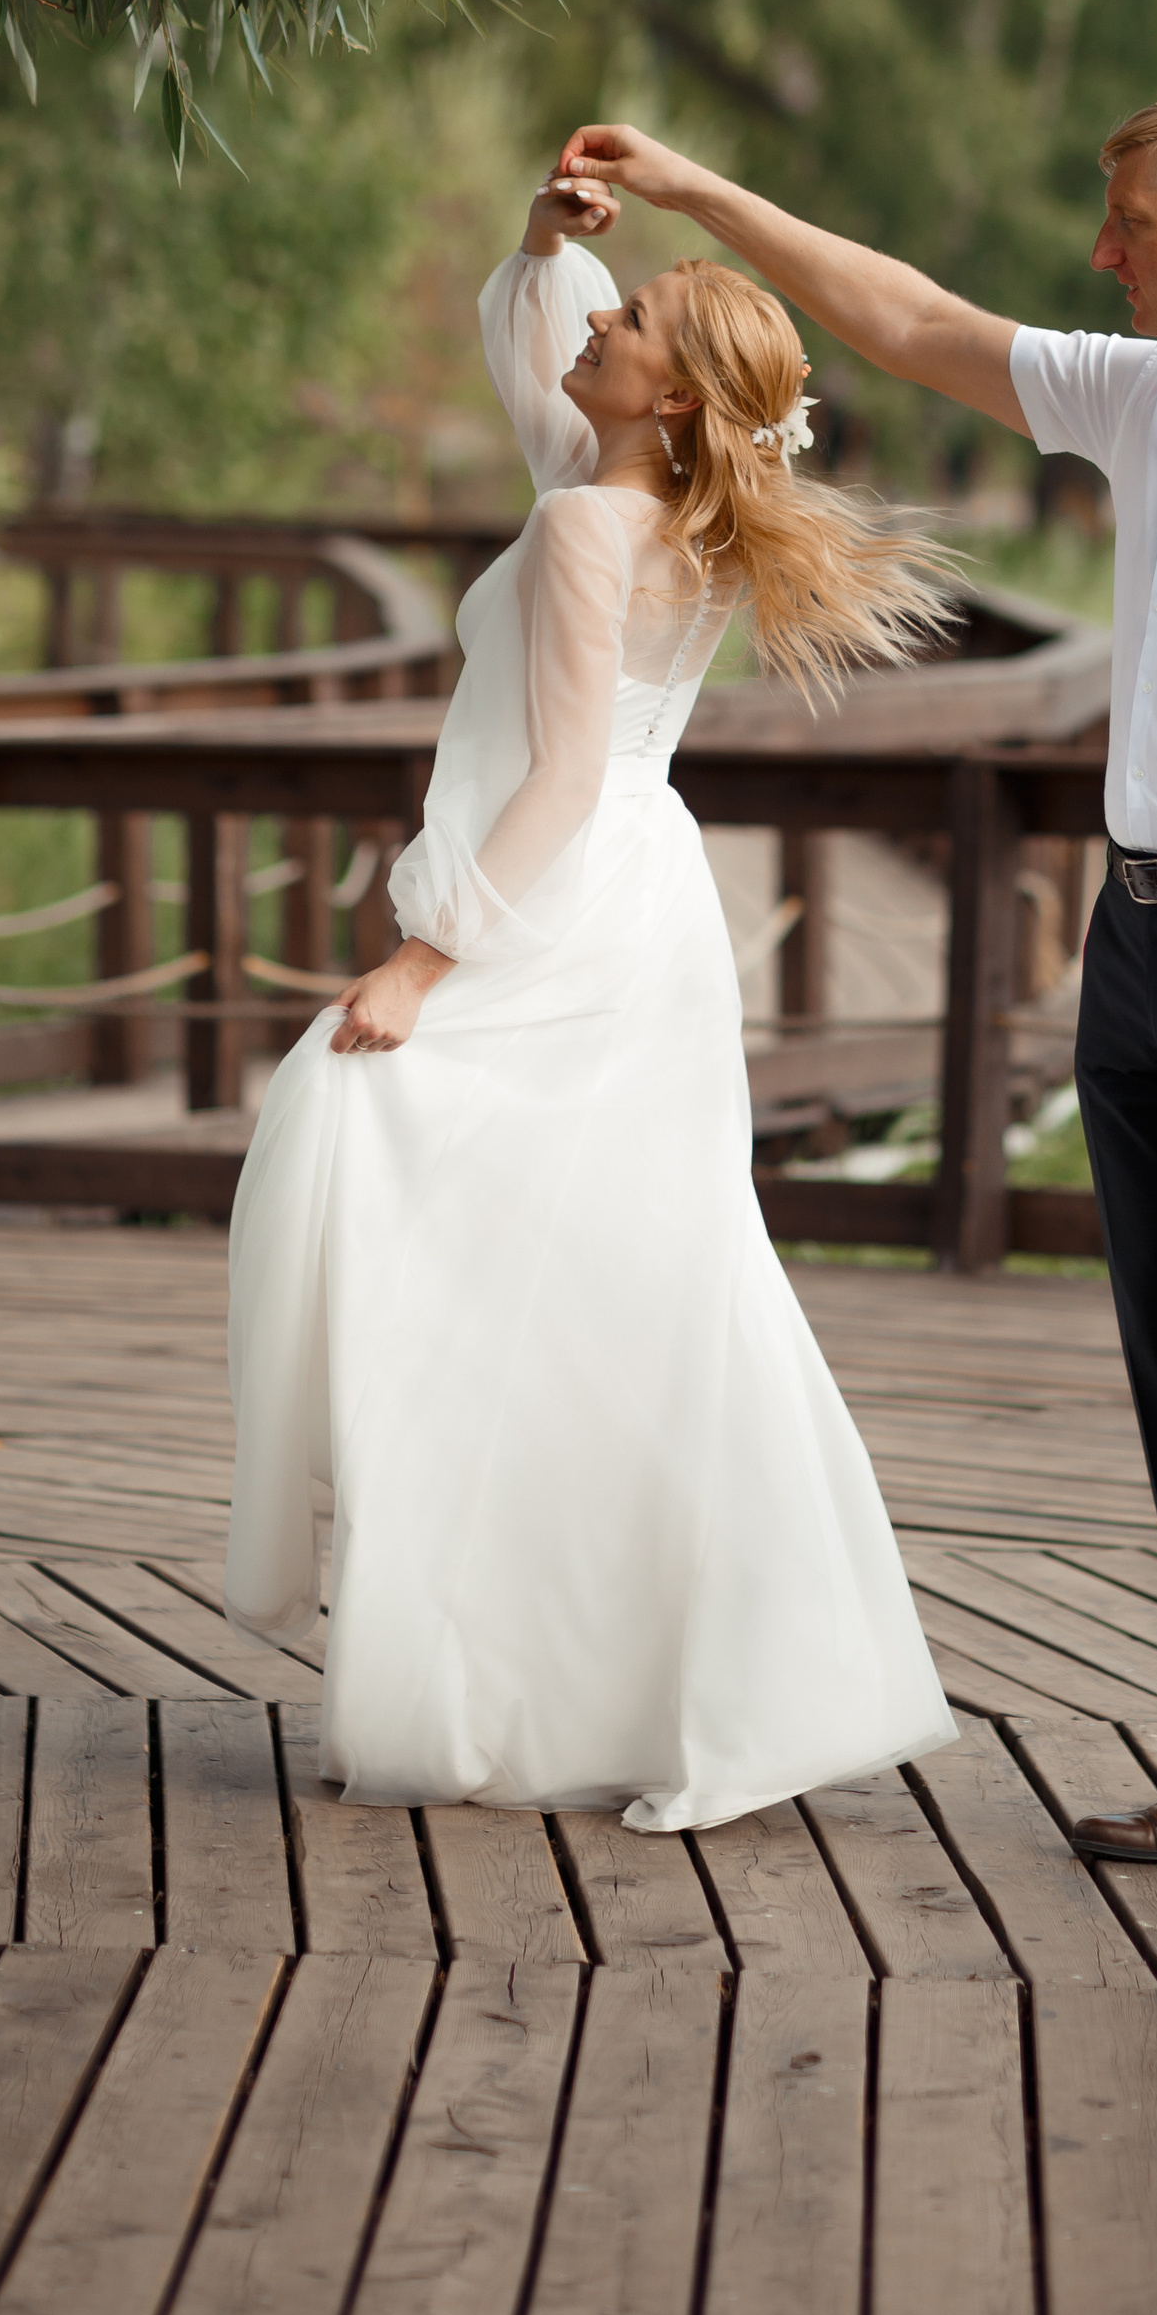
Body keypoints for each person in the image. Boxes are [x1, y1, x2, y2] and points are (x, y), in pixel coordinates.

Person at [555, 89, 1157, 1905]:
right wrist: (681, 185)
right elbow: (901, 320)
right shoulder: (1140, 396)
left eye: (1132, 225)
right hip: (1141, 942)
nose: (1105, 254)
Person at [222, 173, 958, 1829]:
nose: (599, 328)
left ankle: (504, 1667)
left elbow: (551, 779)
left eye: (625, 327)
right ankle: (619, 1672)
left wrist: (423, 957)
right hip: (651, 907)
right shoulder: (663, 514)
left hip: (565, 904)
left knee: (371, 1144)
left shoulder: (581, 524)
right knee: (635, 1277)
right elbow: (549, 375)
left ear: (674, 397)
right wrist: (555, 252)